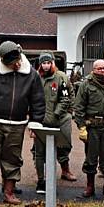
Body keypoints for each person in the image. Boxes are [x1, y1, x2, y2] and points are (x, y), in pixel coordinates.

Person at [0, 41, 45, 207]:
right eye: (11, 64)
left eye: (16, 62)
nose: (15, 65)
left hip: (18, 124)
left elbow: (38, 100)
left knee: (13, 159)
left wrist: (35, 123)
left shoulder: (31, 74)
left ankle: (9, 192)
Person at [73, 59, 104, 198]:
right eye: (99, 68)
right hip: (92, 127)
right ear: (93, 70)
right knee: (91, 158)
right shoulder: (86, 85)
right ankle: (90, 186)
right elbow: (79, 107)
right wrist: (81, 127)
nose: (102, 71)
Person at [34, 52, 77, 194]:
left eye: (48, 63)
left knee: (64, 146)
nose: (46, 66)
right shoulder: (35, 78)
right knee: (39, 151)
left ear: (53, 63)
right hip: (41, 119)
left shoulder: (61, 78)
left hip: (60, 118)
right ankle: (41, 180)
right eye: (43, 63)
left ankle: (65, 170)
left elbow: (66, 98)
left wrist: (57, 113)